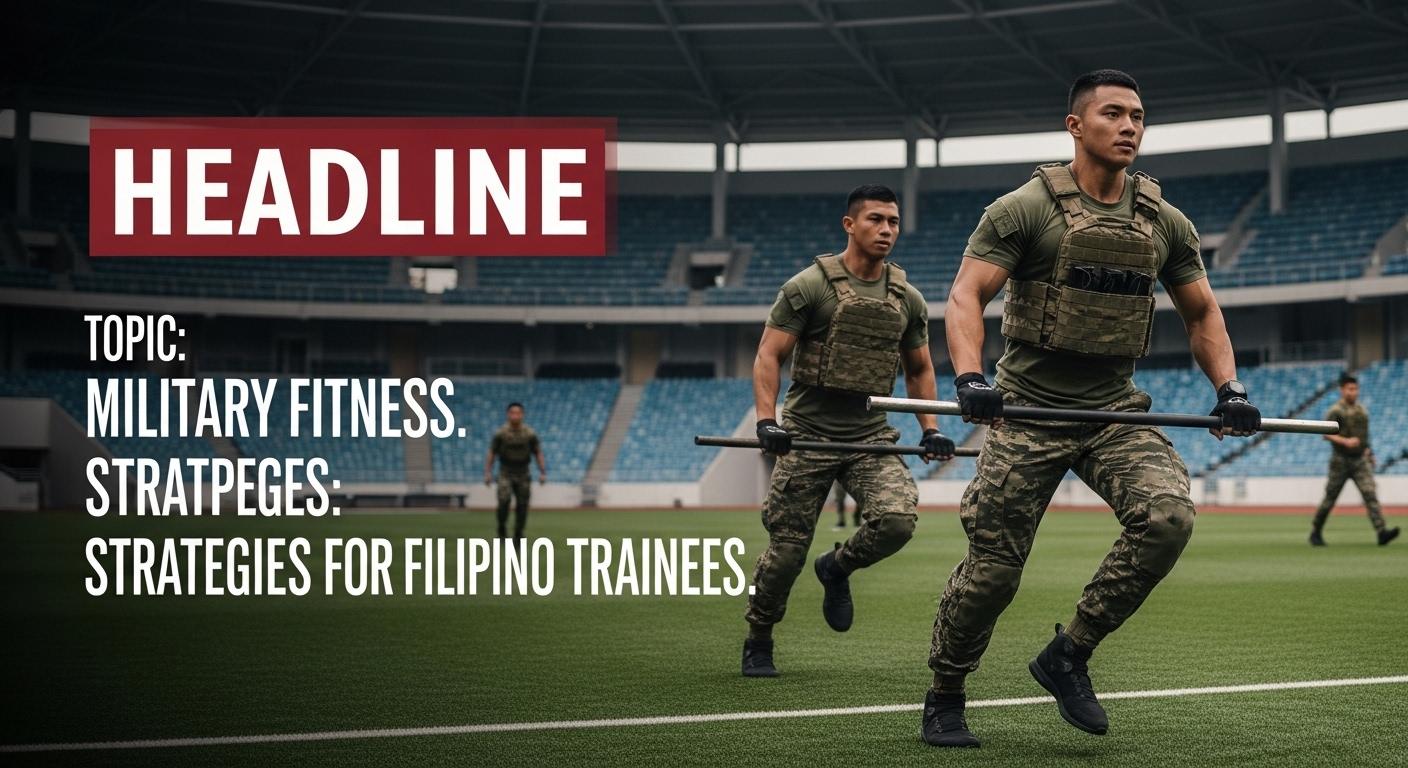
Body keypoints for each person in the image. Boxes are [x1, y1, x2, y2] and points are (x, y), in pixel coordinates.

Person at [921, 69, 1262, 748]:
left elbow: (1202, 313)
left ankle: (1069, 652)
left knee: (1167, 519)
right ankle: (947, 691)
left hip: (1114, 413)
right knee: (993, 572)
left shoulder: (1165, 222)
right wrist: (970, 378)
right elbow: (966, 297)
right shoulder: (1024, 209)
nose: (1129, 126)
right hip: (1026, 411)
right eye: (1113, 113)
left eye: (1138, 115)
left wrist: (1231, 390)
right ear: (1075, 125)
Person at [743, 184, 955, 678]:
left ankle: (837, 567)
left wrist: (930, 428)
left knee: (897, 520)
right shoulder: (808, 287)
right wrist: (767, 421)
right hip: (808, 433)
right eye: (875, 219)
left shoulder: (907, 298)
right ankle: (759, 635)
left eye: (893, 221)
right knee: (785, 552)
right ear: (850, 224)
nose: (886, 230)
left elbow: (919, 368)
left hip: (869, 437)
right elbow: (769, 355)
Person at [1310, 373, 1400, 546]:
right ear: (1342, 390)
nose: (1353, 392)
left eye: (1355, 389)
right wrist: (1345, 441)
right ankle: (1316, 531)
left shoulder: (1361, 411)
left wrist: (1369, 453)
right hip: (1340, 460)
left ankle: (1382, 532)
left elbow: (1364, 436)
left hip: (1359, 460)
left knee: (1370, 493)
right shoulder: (1336, 410)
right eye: (1350, 389)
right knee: (1330, 497)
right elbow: (1326, 434)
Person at [483, 402, 546, 541]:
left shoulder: (529, 434)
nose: (515, 416)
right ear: (508, 414)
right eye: (512, 413)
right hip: (505, 473)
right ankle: (502, 528)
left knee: (522, 505)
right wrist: (487, 472)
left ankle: (518, 533)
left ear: (522, 415)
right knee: (503, 502)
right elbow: (492, 453)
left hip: (523, 473)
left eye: (518, 413)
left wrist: (542, 472)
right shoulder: (501, 433)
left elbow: (537, 452)